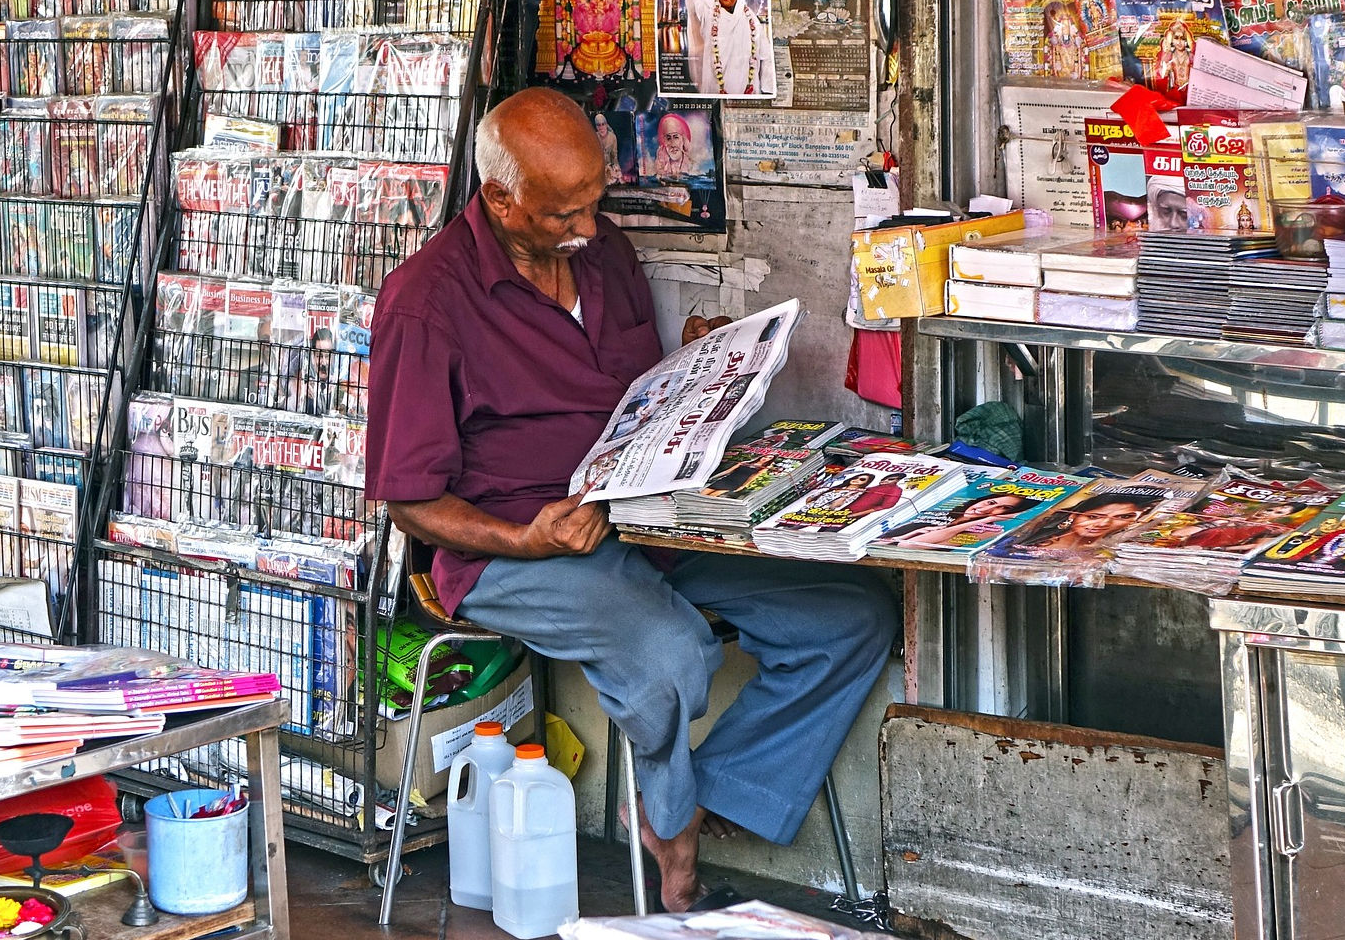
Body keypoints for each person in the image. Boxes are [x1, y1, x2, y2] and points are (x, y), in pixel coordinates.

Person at [364, 87, 896, 914]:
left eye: (593, 204)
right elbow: (409, 499)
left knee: (849, 617)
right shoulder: (427, 303)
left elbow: (629, 395)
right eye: (563, 213)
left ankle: (689, 801)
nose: (586, 229)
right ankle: (674, 842)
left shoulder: (602, 252)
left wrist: (699, 370)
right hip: (514, 550)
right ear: (500, 200)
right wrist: (525, 537)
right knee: (671, 653)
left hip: (643, 519)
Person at [686, 0, 775, 96]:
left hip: (746, 99)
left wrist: (767, 91)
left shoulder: (751, 20)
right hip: (714, 96)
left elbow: (766, 57)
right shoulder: (707, 10)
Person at [877, 492, 1043, 549]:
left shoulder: (987, 530)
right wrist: (915, 531)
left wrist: (990, 519)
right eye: (991, 502)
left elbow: (909, 545)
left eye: (1004, 509)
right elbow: (877, 543)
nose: (986, 509)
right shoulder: (943, 509)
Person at [1016, 493, 1161, 553]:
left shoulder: (1114, 550)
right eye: (1093, 516)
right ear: (1073, 516)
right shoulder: (1029, 540)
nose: (1103, 523)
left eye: (1122, 517)